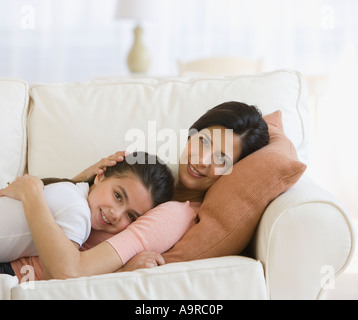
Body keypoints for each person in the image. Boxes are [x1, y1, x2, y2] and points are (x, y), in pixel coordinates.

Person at [2, 101, 269, 281]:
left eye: (221, 159)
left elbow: (73, 270)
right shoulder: (148, 172)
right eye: (203, 142)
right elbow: (64, 213)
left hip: (19, 272)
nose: (203, 160)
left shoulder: (174, 214)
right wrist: (81, 180)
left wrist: (33, 194)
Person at [0, 152, 195, 279]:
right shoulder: (77, 209)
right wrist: (32, 195)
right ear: (100, 175)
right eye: (118, 196)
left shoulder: (72, 197)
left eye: (132, 217)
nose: (116, 214)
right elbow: (66, 271)